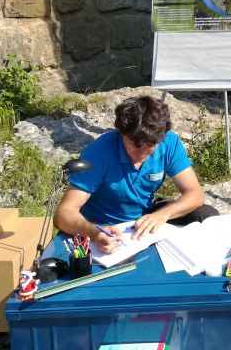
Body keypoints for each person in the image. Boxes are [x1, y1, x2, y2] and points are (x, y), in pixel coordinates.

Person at [54, 95, 218, 254]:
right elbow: (63, 214)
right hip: (104, 225)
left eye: (152, 144)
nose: (143, 152)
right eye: (136, 144)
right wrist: (94, 231)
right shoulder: (98, 153)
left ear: (161, 137)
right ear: (121, 133)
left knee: (206, 215)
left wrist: (163, 214)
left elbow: (195, 193)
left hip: (143, 218)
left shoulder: (169, 143)